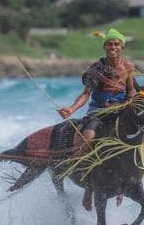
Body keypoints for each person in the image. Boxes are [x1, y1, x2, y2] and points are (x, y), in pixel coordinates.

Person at [57, 28, 136, 211]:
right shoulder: (96, 69)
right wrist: (71, 109)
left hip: (121, 111)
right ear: (104, 46)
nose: (113, 47)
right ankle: (89, 186)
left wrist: (129, 102)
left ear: (122, 47)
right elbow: (86, 95)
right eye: (109, 44)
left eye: (116, 44)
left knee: (135, 140)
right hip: (98, 111)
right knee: (89, 137)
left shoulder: (129, 67)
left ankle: (124, 184)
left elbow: (131, 89)